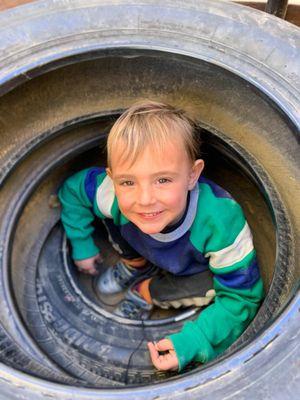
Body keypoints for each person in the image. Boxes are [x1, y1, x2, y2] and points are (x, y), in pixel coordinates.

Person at [58, 100, 264, 373]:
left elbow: (242, 297)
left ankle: (144, 292)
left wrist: (195, 341)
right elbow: (74, 191)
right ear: (113, 177)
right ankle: (135, 266)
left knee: (188, 288)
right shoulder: (113, 193)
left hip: (193, 271)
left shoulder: (221, 222)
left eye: (163, 180)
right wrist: (81, 243)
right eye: (128, 181)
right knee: (119, 218)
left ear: (192, 175)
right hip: (139, 245)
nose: (144, 199)